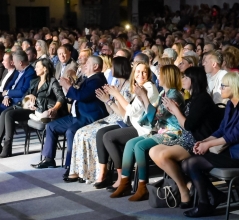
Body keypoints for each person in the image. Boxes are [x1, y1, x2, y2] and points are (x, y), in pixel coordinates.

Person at [181, 72, 239, 217]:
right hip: (230, 152)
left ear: (234, 87)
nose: (220, 89)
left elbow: (234, 135)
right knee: (188, 162)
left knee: (191, 163)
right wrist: (204, 141)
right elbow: (222, 129)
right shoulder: (231, 104)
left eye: (224, 86)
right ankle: (214, 196)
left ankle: (205, 203)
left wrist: (209, 145)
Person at [150, 67, 222, 208]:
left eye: (185, 78)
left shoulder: (202, 99)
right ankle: (188, 185)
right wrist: (175, 110)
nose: (182, 80)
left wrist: (176, 110)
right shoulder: (192, 98)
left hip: (198, 140)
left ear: (193, 80)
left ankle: (183, 190)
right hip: (186, 137)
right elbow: (186, 125)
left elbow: (188, 126)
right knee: (153, 151)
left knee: (163, 155)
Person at [110, 65, 184, 201]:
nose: (158, 77)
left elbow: (156, 115)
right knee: (130, 143)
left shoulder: (175, 95)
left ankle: (142, 186)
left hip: (173, 133)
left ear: (167, 77)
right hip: (160, 130)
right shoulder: (163, 93)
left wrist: (144, 97)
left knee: (140, 146)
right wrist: (144, 100)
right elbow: (149, 115)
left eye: (160, 74)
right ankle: (125, 183)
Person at [32, 56, 108, 170]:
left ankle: (71, 166)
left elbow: (81, 96)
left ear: (96, 66)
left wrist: (66, 86)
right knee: (51, 126)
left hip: (87, 117)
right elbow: (75, 96)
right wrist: (69, 87)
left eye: (87, 63)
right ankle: (49, 159)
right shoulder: (88, 79)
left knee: (71, 131)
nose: (84, 65)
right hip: (76, 116)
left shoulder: (97, 80)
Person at [94, 61, 158, 191]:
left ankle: (121, 178)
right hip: (133, 124)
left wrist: (117, 94)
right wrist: (109, 100)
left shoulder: (148, 87)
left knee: (109, 137)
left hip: (144, 129)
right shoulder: (138, 88)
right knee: (101, 133)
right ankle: (104, 175)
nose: (141, 74)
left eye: (144, 72)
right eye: (138, 72)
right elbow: (125, 116)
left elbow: (131, 111)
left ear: (149, 74)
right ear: (134, 74)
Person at [67, 56, 132, 183]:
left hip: (121, 121)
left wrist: (108, 100)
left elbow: (123, 114)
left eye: (113, 66)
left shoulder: (128, 87)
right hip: (112, 117)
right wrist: (106, 100)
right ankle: (82, 171)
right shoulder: (117, 84)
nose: (110, 69)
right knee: (81, 132)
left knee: (90, 134)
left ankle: (99, 172)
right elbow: (111, 111)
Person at [0, 58, 66, 158]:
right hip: (27, 106)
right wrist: (30, 97)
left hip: (37, 110)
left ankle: (7, 148)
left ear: (45, 69)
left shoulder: (52, 82)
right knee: (3, 113)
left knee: (9, 115)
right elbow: (24, 96)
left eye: (38, 67)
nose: (35, 69)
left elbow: (61, 97)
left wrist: (54, 108)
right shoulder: (35, 81)